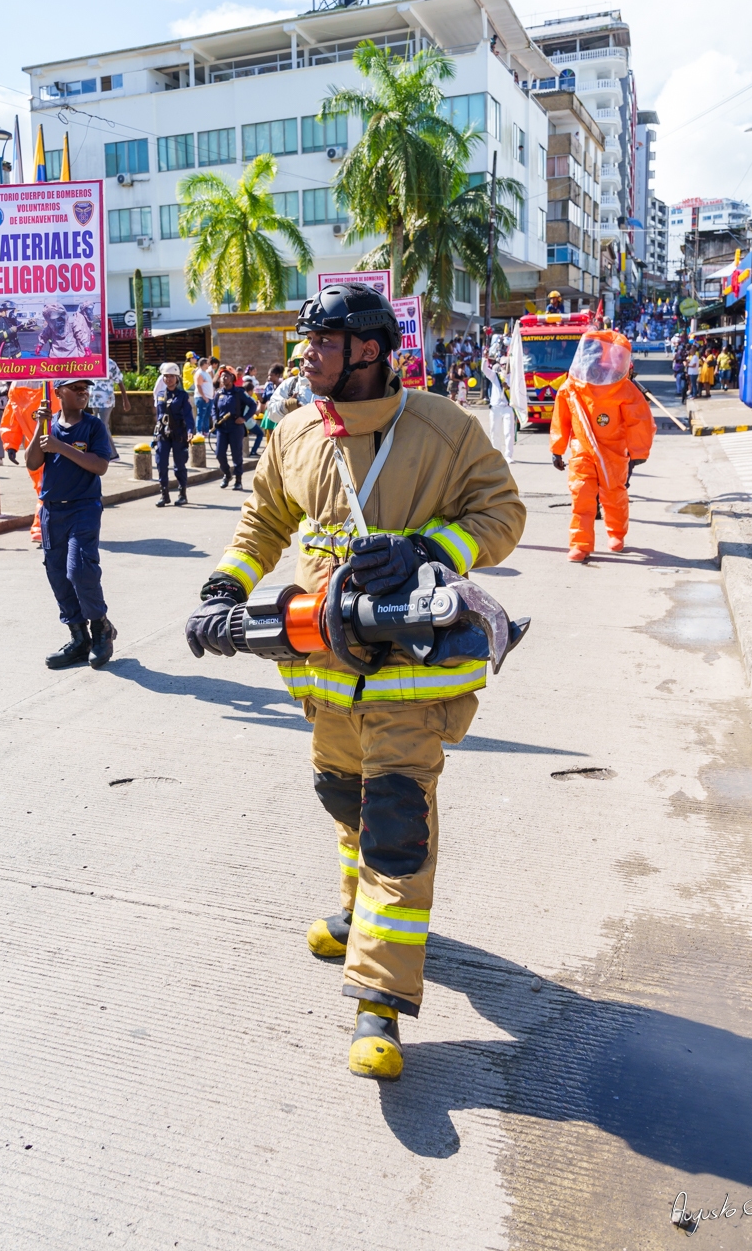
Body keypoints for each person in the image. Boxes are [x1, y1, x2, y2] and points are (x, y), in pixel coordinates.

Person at [184, 283, 525, 1080]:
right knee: (346, 801)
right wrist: (225, 588)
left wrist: (427, 549)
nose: (303, 358)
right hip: (323, 675)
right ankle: (354, 911)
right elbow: (264, 519)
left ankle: (380, 1001)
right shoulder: (296, 431)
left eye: (321, 344)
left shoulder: (444, 429)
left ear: (368, 351)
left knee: (396, 832)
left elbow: (502, 513)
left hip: (410, 678)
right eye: (305, 345)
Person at [26, 378, 117, 669]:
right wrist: (40, 430)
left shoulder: (93, 426)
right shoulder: (48, 424)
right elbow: (32, 463)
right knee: (57, 574)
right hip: (52, 510)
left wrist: (60, 446)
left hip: (84, 507)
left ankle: (100, 628)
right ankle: (78, 638)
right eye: (75, 388)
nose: (82, 392)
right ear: (58, 393)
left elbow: (100, 465)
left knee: (79, 570)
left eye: (85, 388)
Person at [550, 329, 655, 562]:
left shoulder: (625, 389)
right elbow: (561, 419)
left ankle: (616, 533)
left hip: (614, 451)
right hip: (582, 450)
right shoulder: (571, 387)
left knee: (614, 495)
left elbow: (639, 421)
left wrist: (639, 451)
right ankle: (580, 543)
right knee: (581, 496)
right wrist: (557, 449)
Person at [0, 380, 61, 544]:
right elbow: (12, 414)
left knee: (44, 487)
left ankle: (42, 527)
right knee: (45, 487)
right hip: (49, 446)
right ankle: (45, 527)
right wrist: (10, 444)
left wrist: (10, 444)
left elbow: (11, 416)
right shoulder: (57, 379)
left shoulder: (17, 386)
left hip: (39, 446)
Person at [154, 362, 194, 507]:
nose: (168, 379)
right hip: (163, 434)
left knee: (179, 465)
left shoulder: (182, 396)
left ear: (177, 378)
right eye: (166, 376)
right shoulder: (160, 395)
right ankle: (164, 495)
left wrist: (190, 431)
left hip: (178, 434)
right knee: (161, 464)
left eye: (171, 376)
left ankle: (182, 494)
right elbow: (159, 416)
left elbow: (189, 416)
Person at [211, 367, 256, 490]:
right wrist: (215, 419)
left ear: (232, 378)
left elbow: (252, 404)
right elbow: (214, 408)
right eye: (222, 376)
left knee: (236, 454)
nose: (224, 378)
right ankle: (227, 474)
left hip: (235, 427)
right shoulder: (219, 393)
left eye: (227, 376)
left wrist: (244, 418)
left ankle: (238, 480)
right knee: (219, 453)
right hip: (221, 428)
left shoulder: (239, 392)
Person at [90, 355, 130, 460]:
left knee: (102, 426)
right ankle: (101, 451)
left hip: (106, 401)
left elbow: (120, 381)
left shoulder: (110, 363)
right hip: (94, 401)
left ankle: (113, 454)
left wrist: (125, 400)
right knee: (99, 426)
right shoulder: (91, 362)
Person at [482, 356, 516, 464]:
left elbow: (517, 392)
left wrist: (509, 387)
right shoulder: (495, 376)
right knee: (494, 431)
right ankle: (496, 454)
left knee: (508, 432)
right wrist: (484, 357)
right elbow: (484, 369)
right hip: (495, 408)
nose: (505, 366)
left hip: (507, 407)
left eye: (507, 364)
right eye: (503, 364)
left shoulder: (514, 377)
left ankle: (508, 455)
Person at [194, 357, 215, 435]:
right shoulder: (199, 373)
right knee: (201, 415)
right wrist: (204, 397)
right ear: (203, 364)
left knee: (207, 416)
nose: (208, 365)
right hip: (202, 398)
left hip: (209, 397)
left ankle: (206, 432)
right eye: (207, 363)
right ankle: (198, 431)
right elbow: (198, 385)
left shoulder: (206, 373)